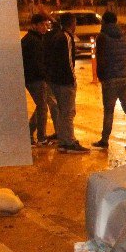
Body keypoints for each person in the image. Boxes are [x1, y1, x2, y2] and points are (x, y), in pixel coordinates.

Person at [92, 11, 126, 150]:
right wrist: (119, 61)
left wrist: (101, 76)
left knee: (108, 111)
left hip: (110, 79)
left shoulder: (102, 37)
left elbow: (101, 59)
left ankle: (104, 140)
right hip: (125, 77)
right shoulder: (122, 35)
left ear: (104, 21)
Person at [45, 12, 90, 153]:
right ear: (72, 23)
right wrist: (73, 79)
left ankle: (64, 141)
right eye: (75, 22)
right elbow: (68, 61)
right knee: (68, 112)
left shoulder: (56, 35)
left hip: (55, 81)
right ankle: (69, 143)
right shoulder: (66, 37)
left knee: (63, 112)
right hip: (65, 82)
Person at [20, 13, 56, 146]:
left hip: (36, 78)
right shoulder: (32, 41)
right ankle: (41, 138)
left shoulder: (36, 38)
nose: (44, 27)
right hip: (35, 79)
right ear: (34, 26)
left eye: (46, 24)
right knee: (42, 107)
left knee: (41, 106)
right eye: (41, 24)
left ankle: (28, 132)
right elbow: (36, 63)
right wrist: (45, 76)